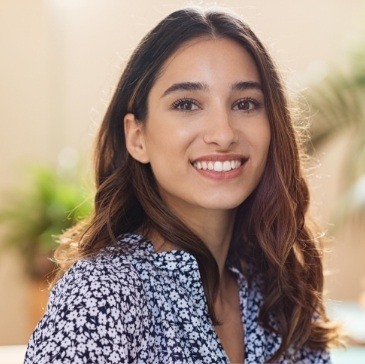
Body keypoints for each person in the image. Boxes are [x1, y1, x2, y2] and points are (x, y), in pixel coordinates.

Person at [25, 7, 340, 363]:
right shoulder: (101, 295)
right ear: (137, 137)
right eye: (187, 104)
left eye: (245, 103)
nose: (223, 134)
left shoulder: (281, 293)